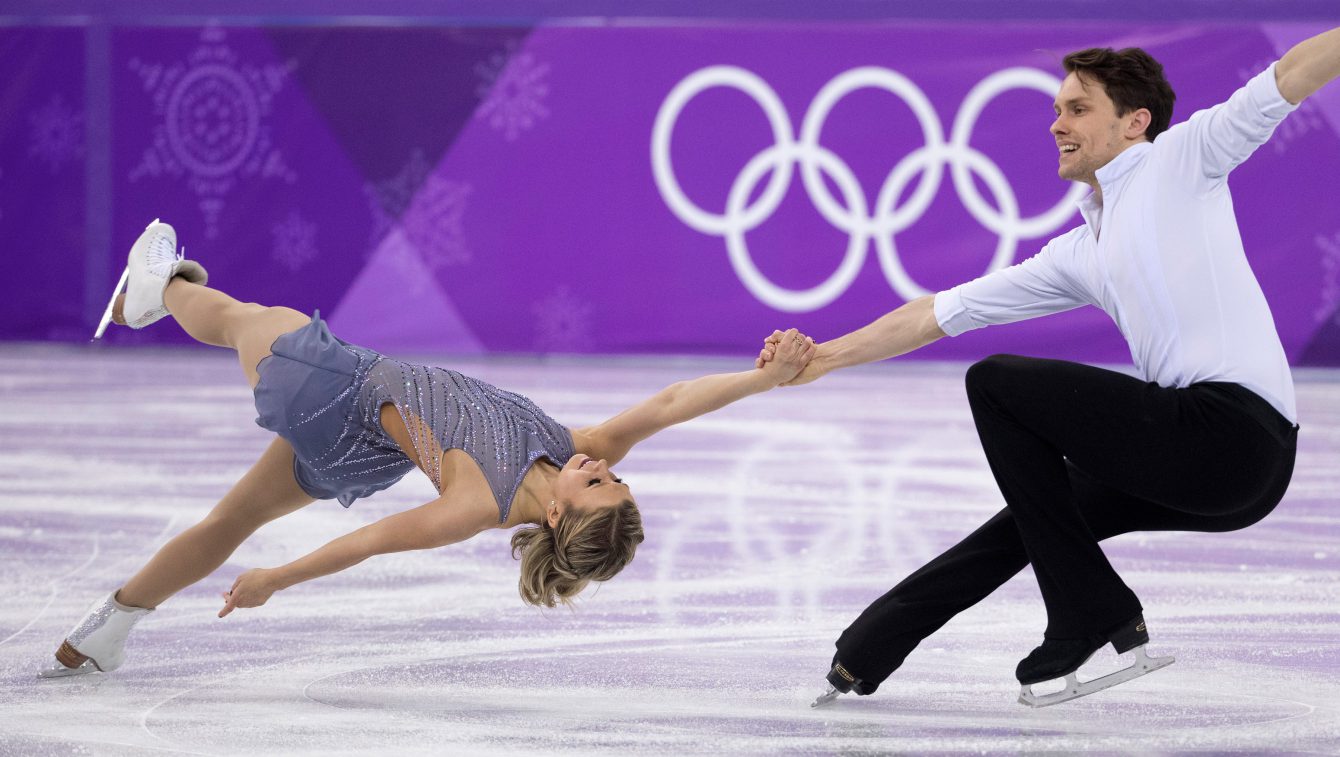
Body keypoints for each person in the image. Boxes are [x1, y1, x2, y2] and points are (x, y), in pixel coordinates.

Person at [759, 27, 1340, 707]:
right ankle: (872, 645)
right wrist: (824, 358)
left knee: (997, 384)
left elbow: (1294, 72)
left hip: (1233, 435)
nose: (1056, 123)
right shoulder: (1082, 247)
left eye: (1076, 108)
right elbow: (936, 312)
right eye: (1057, 108)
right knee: (1037, 515)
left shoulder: (1183, 158)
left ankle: (1090, 609)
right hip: (1222, 467)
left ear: (1135, 122)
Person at [39, 220, 816, 678]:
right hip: (357, 452)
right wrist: (764, 379)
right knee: (228, 520)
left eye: (598, 484)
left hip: (335, 388)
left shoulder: (477, 500)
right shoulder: (565, 447)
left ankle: (160, 289)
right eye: (612, 474)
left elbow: (371, 542)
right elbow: (672, 404)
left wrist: (279, 576)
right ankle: (106, 629)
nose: (602, 465)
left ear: (555, 515)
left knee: (248, 317)